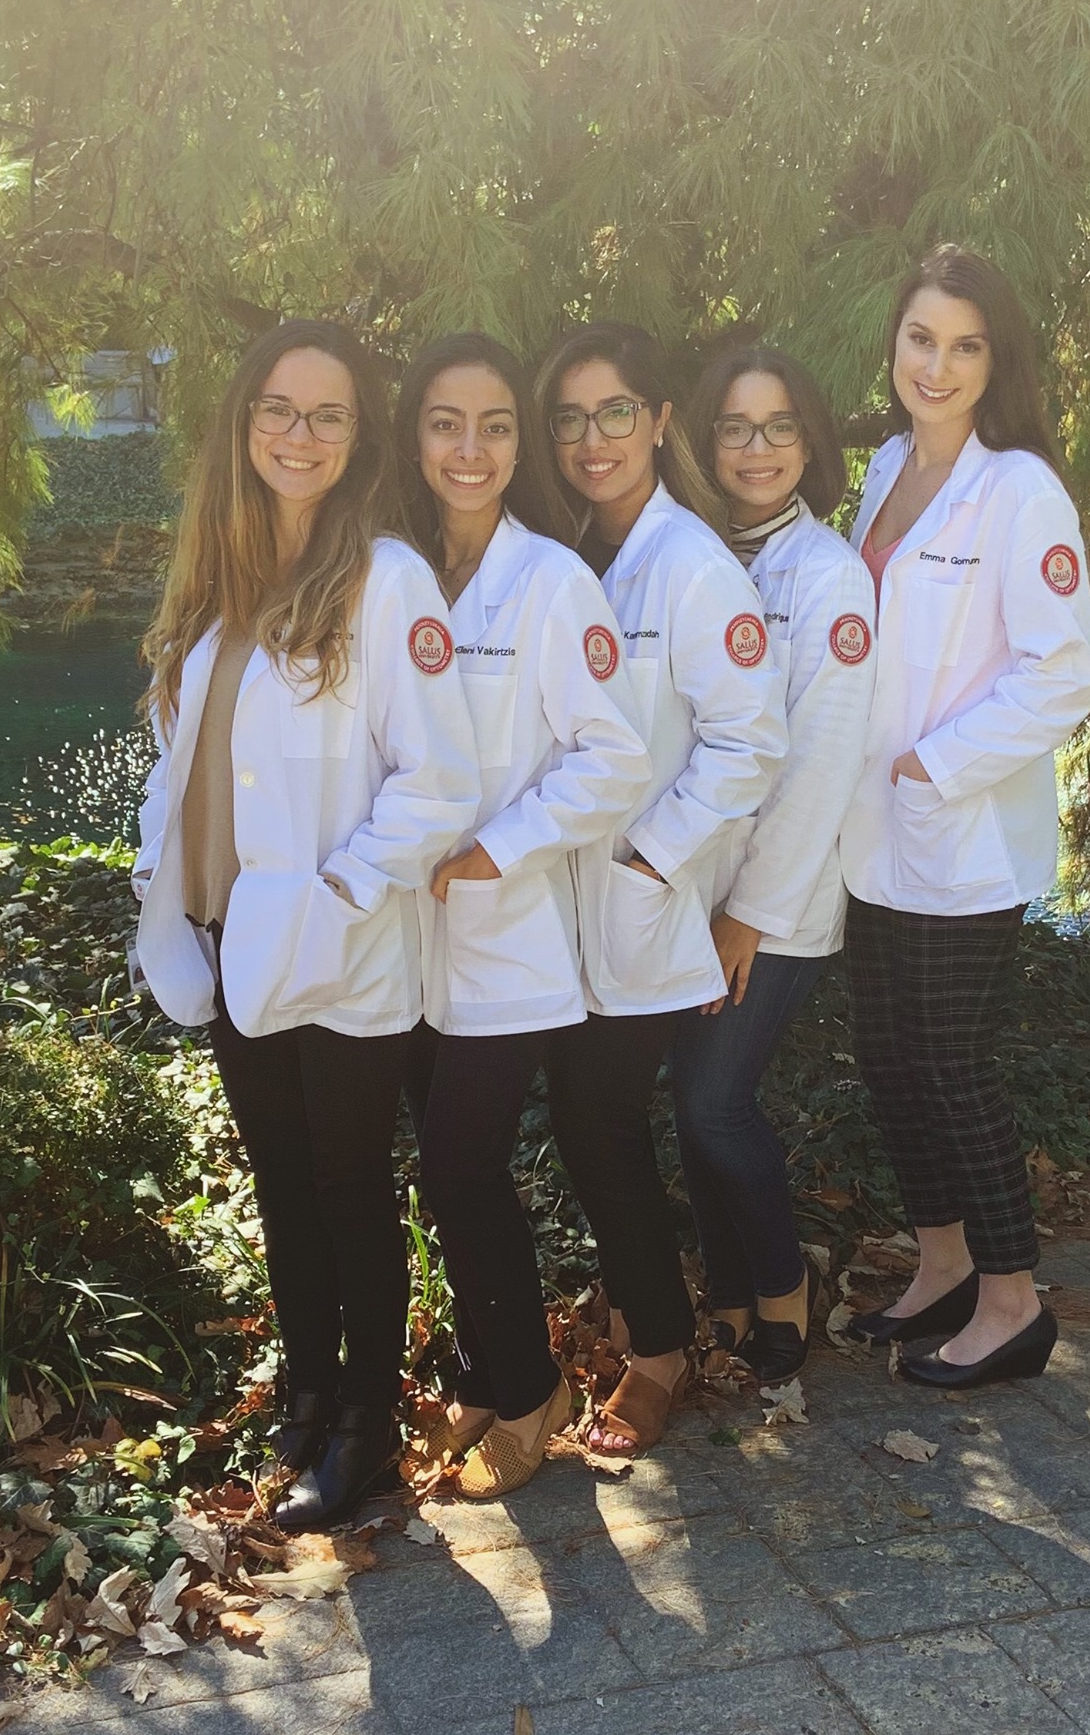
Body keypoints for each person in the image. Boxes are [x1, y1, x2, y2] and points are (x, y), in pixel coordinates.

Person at [132, 319, 480, 1527]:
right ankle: (310, 1388)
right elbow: (181, 768)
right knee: (282, 1182)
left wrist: (335, 897)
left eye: (328, 414)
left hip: (338, 948)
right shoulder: (219, 588)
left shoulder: (387, 581)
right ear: (244, 422)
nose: (299, 432)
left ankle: (368, 1429)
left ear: (357, 437)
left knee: (346, 1184)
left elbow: (438, 782)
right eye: (279, 408)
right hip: (232, 941)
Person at [396, 332, 650, 1500]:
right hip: (402, 942)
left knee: (461, 1164)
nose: (471, 447)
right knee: (447, 1166)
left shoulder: (551, 582)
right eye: (448, 422)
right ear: (415, 433)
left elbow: (613, 759)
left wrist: (498, 846)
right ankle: (490, 1374)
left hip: (506, 940)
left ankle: (529, 1384)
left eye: (496, 424)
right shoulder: (390, 570)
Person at [842, 246, 1090, 1390]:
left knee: (953, 1065)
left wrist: (932, 763)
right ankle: (939, 1263)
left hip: (962, 833)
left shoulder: (1022, 491)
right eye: (919, 339)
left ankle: (1011, 1301)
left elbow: (1061, 678)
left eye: (964, 344)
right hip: (873, 831)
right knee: (892, 1059)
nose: (935, 365)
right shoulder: (885, 466)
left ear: (996, 360)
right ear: (892, 344)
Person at [535, 322, 787, 1453]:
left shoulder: (690, 566)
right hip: (550, 901)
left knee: (598, 1122)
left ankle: (658, 1351)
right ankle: (656, 1324)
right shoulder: (568, 549)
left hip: (632, 901)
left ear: (659, 421)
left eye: (616, 412)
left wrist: (650, 856)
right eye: (572, 418)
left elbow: (750, 740)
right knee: (586, 1123)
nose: (594, 439)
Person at [671, 343, 876, 1384]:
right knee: (688, 1099)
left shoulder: (830, 578)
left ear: (811, 441)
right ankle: (735, 1288)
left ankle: (785, 1279)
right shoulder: (688, 554)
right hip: (682, 888)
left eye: (780, 426)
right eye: (735, 427)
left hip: (774, 901)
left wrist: (747, 914)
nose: (757, 449)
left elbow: (820, 767)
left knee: (714, 1099)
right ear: (704, 440)